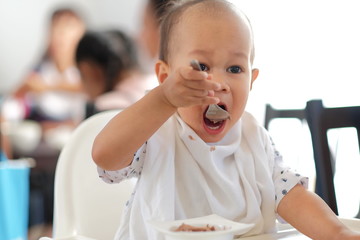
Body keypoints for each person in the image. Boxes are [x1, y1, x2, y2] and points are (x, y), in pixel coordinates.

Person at [92, 0, 360, 240]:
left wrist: (338, 234)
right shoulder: (156, 132)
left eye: (235, 69)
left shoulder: (254, 137)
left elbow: (292, 196)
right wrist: (163, 99)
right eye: (202, 67)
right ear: (165, 77)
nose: (219, 83)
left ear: (252, 81)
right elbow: (105, 156)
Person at [12, 7, 86, 126]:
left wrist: (47, 86)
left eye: (68, 26)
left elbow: (86, 88)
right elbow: (15, 99)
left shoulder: (87, 72)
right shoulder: (40, 70)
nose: (61, 33)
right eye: (56, 26)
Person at [75, 29, 155, 117]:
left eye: (81, 74)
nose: (82, 85)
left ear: (90, 71)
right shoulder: (157, 84)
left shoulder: (105, 106)